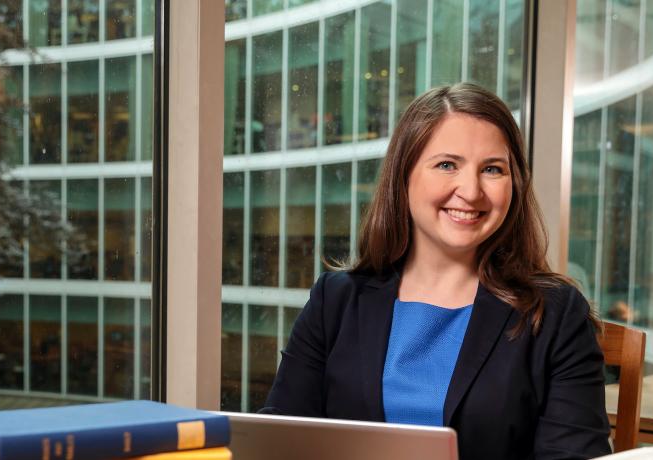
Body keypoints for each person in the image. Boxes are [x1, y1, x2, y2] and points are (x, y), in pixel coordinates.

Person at [260, 83, 611, 460]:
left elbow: (574, 455)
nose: (471, 191)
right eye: (447, 165)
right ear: (403, 174)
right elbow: (278, 440)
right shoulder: (335, 299)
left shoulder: (556, 313)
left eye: (492, 169)